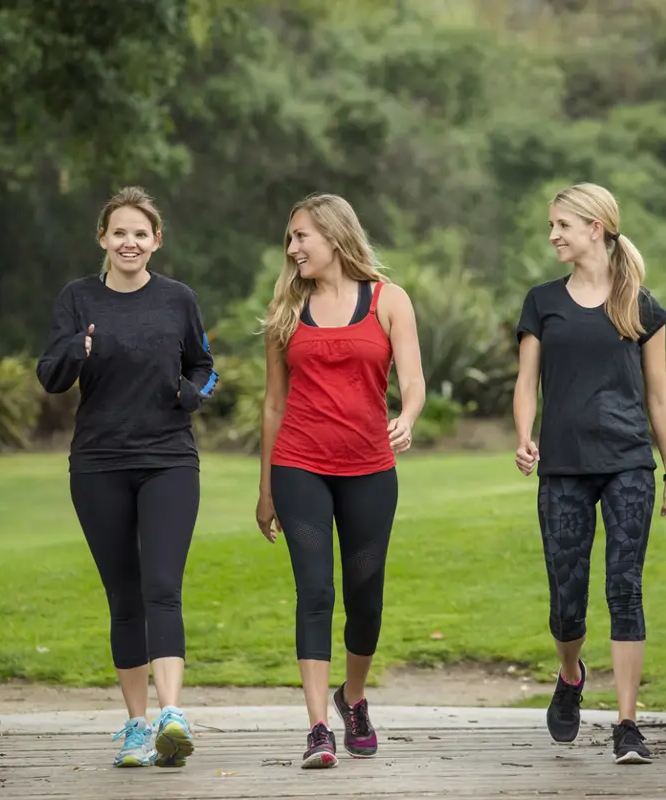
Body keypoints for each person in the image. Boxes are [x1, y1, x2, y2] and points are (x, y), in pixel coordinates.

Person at [36, 186, 218, 769]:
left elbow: (205, 366)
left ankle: (172, 716)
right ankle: (136, 727)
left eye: (141, 233)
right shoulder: (77, 299)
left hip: (168, 459)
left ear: (156, 241)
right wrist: (78, 350)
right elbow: (50, 376)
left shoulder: (178, 300)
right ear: (103, 239)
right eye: (119, 232)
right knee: (124, 598)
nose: (130, 242)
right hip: (98, 464)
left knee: (162, 585)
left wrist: (191, 394)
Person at [513, 182, 666, 765]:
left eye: (562, 224)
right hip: (562, 467)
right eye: (552, 225)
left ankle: (627, 724)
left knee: (625, 588)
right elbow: (526, 382)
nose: (553, 234)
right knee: (567, 601)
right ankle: (571, 673)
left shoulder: (641, 305)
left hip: (629, 464)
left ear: (596, 227)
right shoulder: (542, 301)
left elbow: (659, 398)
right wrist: (523, 436)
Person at [255, 193, 425, 769]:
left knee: (365, 598)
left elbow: (414, 379)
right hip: (299, 465)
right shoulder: (285, 304)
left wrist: (407, 416)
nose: (293, 247)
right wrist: (265, 490)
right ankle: (318, 729)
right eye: (290, 238)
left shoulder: (388, 299)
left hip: (370, 469)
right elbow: (273, 404)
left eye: (301, 236)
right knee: (315, 592)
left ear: (333, 236)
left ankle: (352, 699)